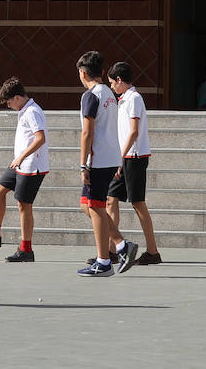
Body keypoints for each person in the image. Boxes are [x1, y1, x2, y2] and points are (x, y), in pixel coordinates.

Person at [0, 77, 48, 263]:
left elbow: (40, 138)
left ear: (17, 97)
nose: (9, 106)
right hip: (20, 164)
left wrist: (22, 156)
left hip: (31, 166)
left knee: (24, 206)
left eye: (8, 102)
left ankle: (26, 250)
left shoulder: (32, 111)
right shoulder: (24, 110)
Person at [75, 51, 125, 277]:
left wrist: (83, 164)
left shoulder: (91, 95)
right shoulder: (108, 93)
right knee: (88, 205)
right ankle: (121, 245)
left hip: (97, 160)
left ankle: (105, 260)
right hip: (110, 157)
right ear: (103, 72)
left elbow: (87, 132)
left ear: (83, 73)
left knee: (95, 206)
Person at [106, 62, 161, 267]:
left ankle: (153, 251)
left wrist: (119, 158)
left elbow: (134, 131)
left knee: (138, 203)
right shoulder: (123, 99)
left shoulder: (134, 98)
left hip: (134, 158)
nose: (111, 87)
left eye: (112, 83)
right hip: (124, 157)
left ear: (120, 80)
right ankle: (111, 251)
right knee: (111, 199)